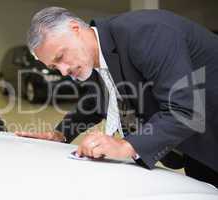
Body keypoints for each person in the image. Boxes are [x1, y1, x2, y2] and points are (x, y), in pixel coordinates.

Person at [15, 7, 218, 187]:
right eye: (53, 66)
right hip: (197, 148)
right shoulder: (100, 53)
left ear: (75, 29)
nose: (63, 71)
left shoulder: (147, 32)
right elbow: (98, 99)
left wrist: (127, 146)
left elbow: (186, 110)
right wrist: (60, 134)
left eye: (60, 57)